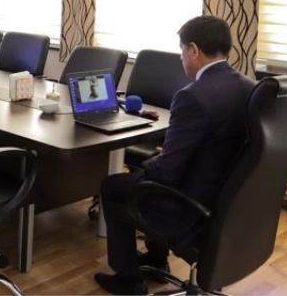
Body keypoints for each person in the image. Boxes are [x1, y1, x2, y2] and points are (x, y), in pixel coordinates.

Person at [94, 15, 255, 295]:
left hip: (188, 203)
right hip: (225, 200)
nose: (181, 58)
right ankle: (157, 259)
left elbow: (167, 172)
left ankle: (128, 280)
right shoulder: (249, 87)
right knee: (143, 174)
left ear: (193, 50)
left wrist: (147, 167)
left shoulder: (192, 96)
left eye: (182, 51)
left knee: (113, 186)